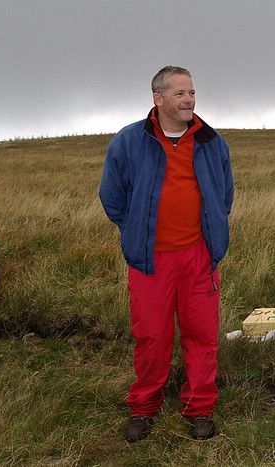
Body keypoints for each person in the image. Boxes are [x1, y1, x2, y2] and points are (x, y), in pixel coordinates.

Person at [99, 66, 234, 443]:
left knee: (201, 336)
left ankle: (200, 408)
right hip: (150, 261)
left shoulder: (210, 141)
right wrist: (135, 230)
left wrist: (211, 236)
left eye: (191, 92)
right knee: (152, 337)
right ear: (158, 99)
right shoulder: (128, 142)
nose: (189, 100)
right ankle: (144, 408)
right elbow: (112, 198)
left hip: (198, 258)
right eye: (180, 94)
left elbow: (224, 196)